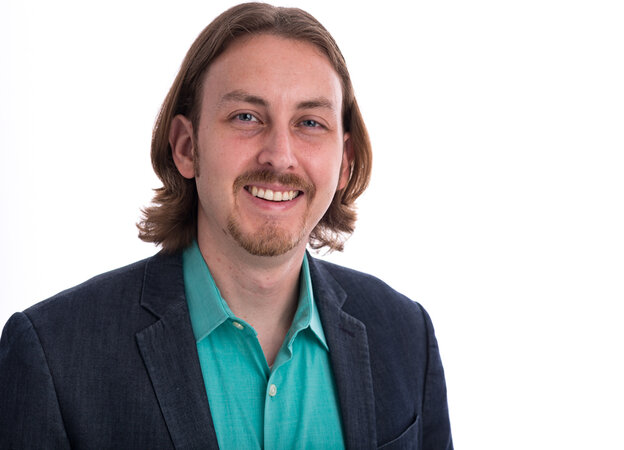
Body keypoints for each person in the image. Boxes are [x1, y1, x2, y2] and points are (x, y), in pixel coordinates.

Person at [0, 3, 452, 449]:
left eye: (310, 123)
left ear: (345, 163)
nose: (279, 156)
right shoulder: (52, 355)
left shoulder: (406, 335)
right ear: (186, 147)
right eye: (246, 117)